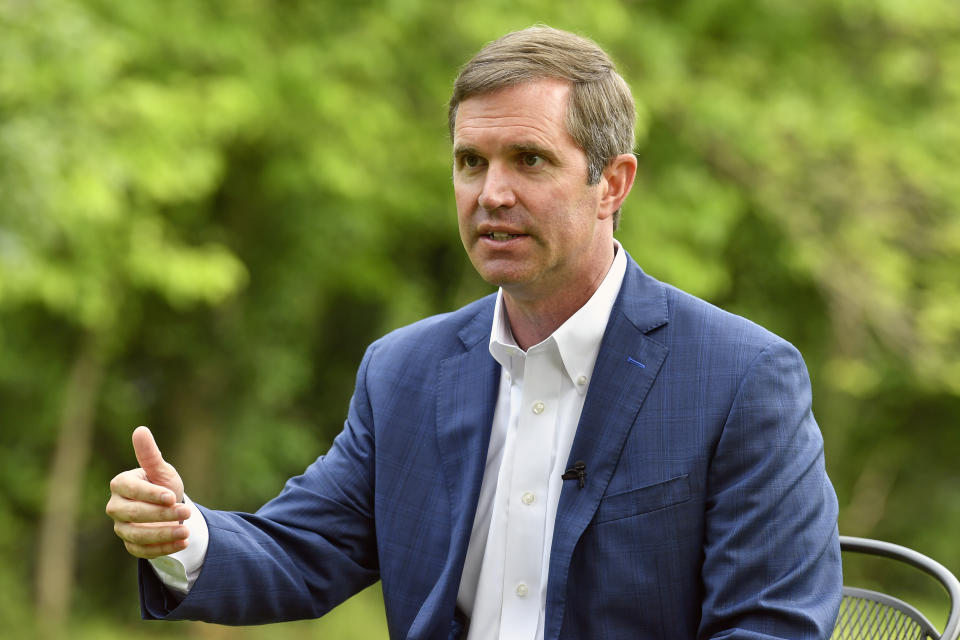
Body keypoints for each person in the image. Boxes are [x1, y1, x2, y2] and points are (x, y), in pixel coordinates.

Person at [107, 25, 842, 639]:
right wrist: (185, 537)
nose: (492, 193)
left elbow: (770, 626)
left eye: (529, 160)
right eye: (470, 162)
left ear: (611, 184)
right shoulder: (404, 370)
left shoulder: (742, 378)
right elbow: (302, 551)